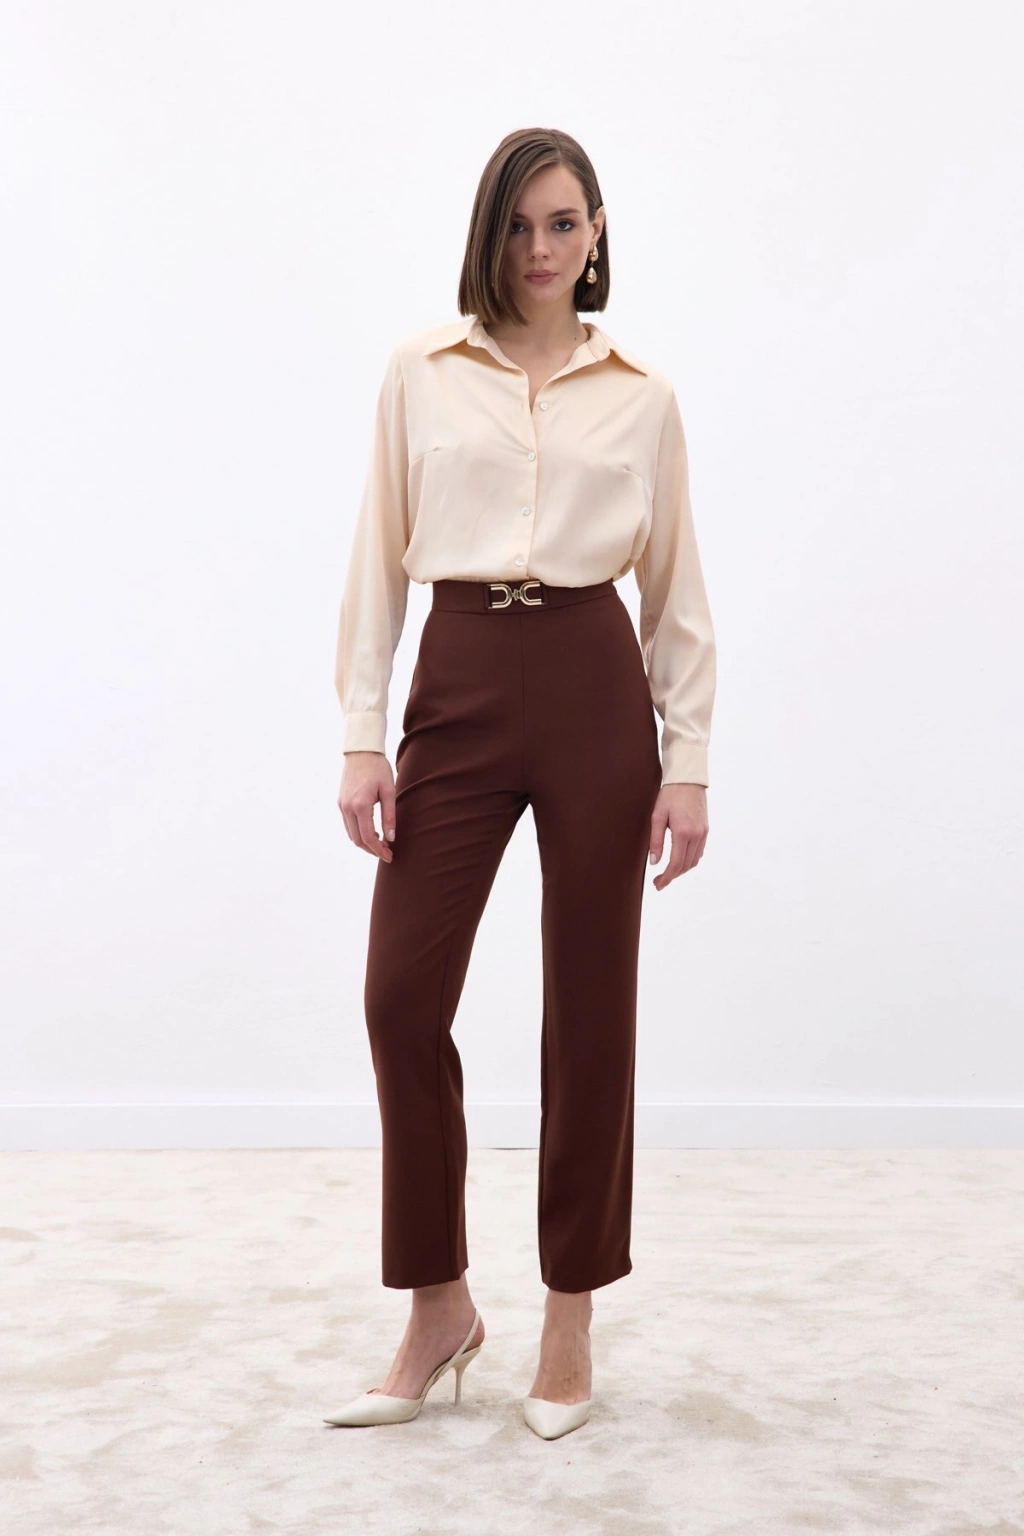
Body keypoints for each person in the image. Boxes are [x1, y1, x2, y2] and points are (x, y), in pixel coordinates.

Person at [324, 127, 716, 1440]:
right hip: (461, 680)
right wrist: (363, 736)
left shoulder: (644, 396)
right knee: (400, 995)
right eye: (518, 223)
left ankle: (569, 1314)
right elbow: (375, 559)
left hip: (595, 685)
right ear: (489, 232)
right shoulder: (421, 373)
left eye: (563, 223)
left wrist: (687, 765)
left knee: (592, 1010)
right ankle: (438, 1304)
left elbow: (677, 596)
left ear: (597, 233)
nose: (540, 249)